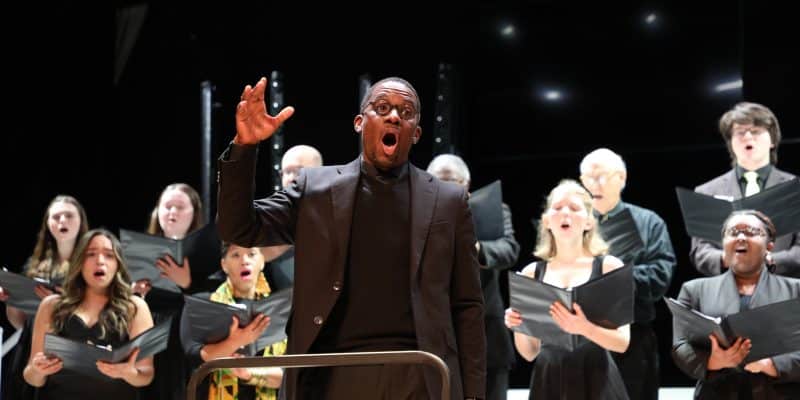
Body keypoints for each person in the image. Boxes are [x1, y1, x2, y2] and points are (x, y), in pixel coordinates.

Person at [216, 76, 486, 399]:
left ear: (416, 133)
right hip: (331, 372)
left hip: (419, 372)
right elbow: (238, 228)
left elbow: (468, 306)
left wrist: (473, 395)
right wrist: (245, 147)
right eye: (383, 107)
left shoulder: (450, 201)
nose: (394, 116)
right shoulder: (313, 189)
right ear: (359, 123)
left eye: (406, 112)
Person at [504, 179, 630, 400]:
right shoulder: (531, 273)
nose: (565, 213)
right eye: (557, 207)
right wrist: (518, 325)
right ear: (546, 221)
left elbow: (622, 342)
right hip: (549, 378)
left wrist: (584, 328)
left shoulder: (609, 267)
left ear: (589, 222)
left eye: (574, 208)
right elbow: (529, 353)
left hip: (597, 376)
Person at [579, 148, 676, 400]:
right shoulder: (572, 222)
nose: (594, 184)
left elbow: (660, 277)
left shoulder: (648, 222)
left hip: (632, 338)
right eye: (587, 177)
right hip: (577, 337)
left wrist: (611, 275)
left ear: (621, 179)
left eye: (602, 176)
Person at [672, 210, 800, 399]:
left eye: (751, 232)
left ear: (769, 246)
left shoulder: (796, 290)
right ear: (723, 245)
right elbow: (680, 346)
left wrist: (771, 364)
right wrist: (714, 361)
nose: (741, 237)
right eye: (733, 232)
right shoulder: (694, 290)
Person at [427, 153, 519, 400]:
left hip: (487, 329)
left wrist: (476, 248)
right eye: (438, 181)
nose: (445, 187)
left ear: (466, 185)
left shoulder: (493, 210)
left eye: (452, 181)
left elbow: (510, 250)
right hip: (435, 330)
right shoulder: (419, 214)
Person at [23, 229, 155, 399]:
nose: (100, 261)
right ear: (79, 262)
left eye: (109, 255)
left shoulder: (135, 307)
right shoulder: (51, 305)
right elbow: (31, 377)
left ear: (118, 264)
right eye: (91, 254)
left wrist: (129, 373)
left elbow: (147, 375)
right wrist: (37, 370)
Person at [691, 102, 799, 277]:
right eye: (740, 132)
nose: (748, 137)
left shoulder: (796, 189)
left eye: (755, 131)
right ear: (731, 143)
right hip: (727, 295)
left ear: (772, 140)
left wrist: (767, 261)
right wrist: (726, 258)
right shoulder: (707, 191)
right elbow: (700, 251)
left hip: (786, 293)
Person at [1, 195, 89, 400]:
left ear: (80, 221)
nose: (62, 221)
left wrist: (57, 303)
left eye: (69, 215)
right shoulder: (35, 265)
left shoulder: (91, 264)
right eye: (56, 217)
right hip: (31, 346)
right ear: (48, 223)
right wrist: (12, 300)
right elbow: (20, 322)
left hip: (69, 347)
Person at [182, 242, 286, 400]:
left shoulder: (278, 309)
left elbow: (286, 374)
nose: (245, 260)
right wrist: (238, 341)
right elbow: (196, 354)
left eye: (251, 254)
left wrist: (248, 373)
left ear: (262, 261)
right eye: (236, 255)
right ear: (224, 264)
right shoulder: (203, 305)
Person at [136, 182, 206, 400]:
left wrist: (188, 285)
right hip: (152, 329)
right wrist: (135, 292)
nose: (172, 212)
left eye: (180, 207)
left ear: (194, 213)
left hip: (187, 334)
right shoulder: (142, 249)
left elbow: (215, 299)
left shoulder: (206, 251)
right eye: (167, 206)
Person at [261, 144, 323, 292]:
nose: (290, 178)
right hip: (283, 306)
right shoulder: (272, 214)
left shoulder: (338, 208)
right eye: (286, 172)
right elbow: (252, 257)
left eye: (298, 171)